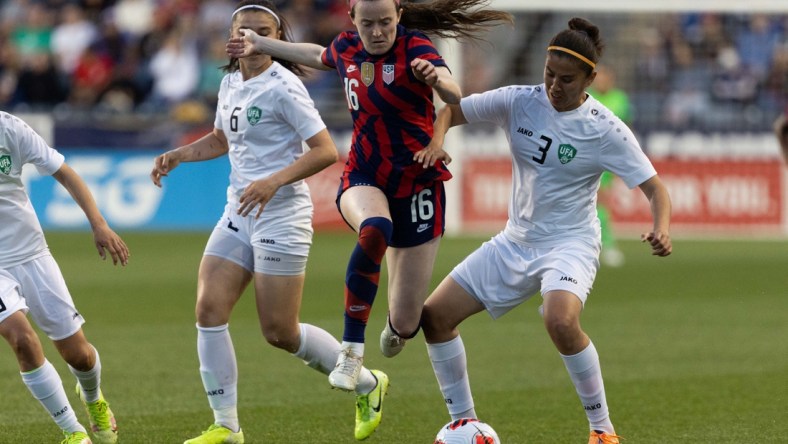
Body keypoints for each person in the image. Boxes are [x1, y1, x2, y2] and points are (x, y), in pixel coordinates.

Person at [226, 0, 513, 393]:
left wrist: (437, 79)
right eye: (367, 24)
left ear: (398, 16)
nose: (377, 32)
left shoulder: (415, 48)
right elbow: (316, 54)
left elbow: (453, 91)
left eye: (384, 23)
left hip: (417, 182)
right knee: (375, 228)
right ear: (352, 20)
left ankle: (396, 326)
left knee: (408, 323)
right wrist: (263, 43)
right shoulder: (346, 48)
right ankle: (351, 352)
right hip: (364, 173)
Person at [417, 18, 673, 444]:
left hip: (570, 244)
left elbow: (655, 189)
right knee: (434, 317)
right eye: (549, 74)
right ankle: (466, 424)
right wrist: (436, 141)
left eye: (567, 79)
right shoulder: (520, 100)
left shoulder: (605, 129)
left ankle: (602, 430)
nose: (554, 85)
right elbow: (451, 109)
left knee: (559, 319)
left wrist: (661, 228)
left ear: (590, 78)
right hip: (514, 241)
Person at [150, 1, 388, 442]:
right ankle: (227, 427)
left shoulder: (284, 87)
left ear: (277, 38)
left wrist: (273, 182)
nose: (253, 38)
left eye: (264, 30)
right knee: (208, 308)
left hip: (282, 214)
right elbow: (223, 136)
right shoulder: (229, 82)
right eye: (246, 30)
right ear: (232, 36)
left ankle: (370, 384)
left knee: (280, 332)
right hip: (239, 211)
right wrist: (180, 155)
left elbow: (324, 150)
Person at [0, 111, 129, 444]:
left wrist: (99, 224)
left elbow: (65, 172)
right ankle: (73, 432)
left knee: (79, 355)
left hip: (31, 254)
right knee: (22, 340)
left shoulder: (10, 128)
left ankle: (93, 397)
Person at [587, 64, 632, 267]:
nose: (601, 81)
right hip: (587, 156)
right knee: (593, 203)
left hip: (609, 157)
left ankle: (607, 244)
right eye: (598, 77)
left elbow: (626, 128)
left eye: (604, 77)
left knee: (600, 201)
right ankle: (601, 244)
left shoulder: (620, 99)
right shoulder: (586, 98)